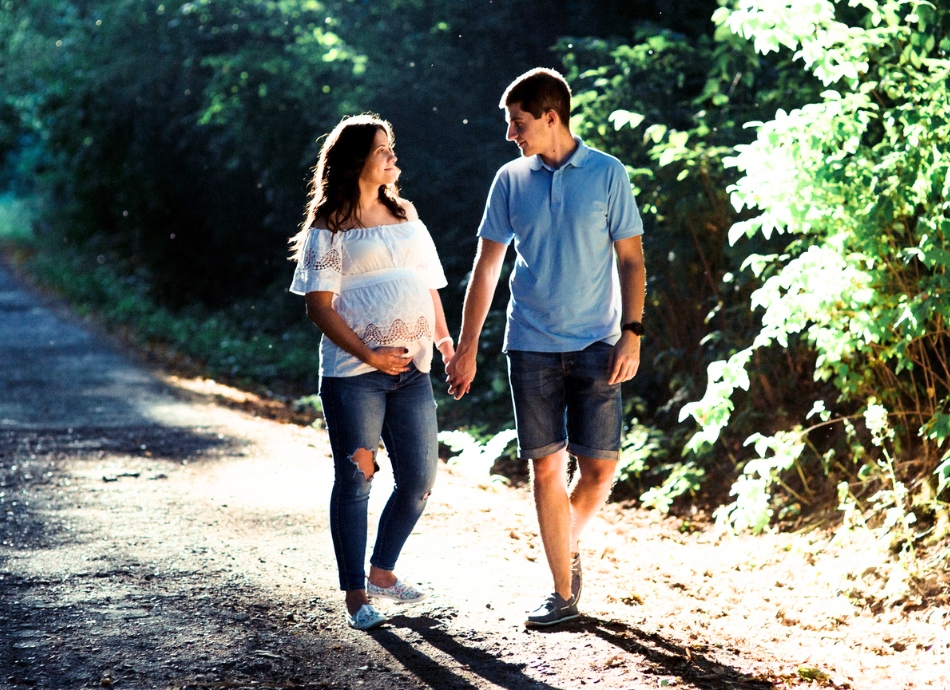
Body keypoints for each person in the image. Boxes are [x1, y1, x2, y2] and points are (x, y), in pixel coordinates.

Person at [445, 68, 646, 627]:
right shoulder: (510, 179)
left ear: (551, 116)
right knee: (546, 468)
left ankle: (565, 543)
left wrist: (632, 332)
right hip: (530, 343)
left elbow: (631, 260)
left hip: (598, 342)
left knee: (601, 469)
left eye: (519, 122)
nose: (512, 133)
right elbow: (487, 268)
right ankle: (562, 593)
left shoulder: (608, 174)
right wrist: (467, 347)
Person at [289, 114, 455, 631]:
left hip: (413, 371)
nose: (392, 157)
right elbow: (319, 307)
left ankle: (383, 572)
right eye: (382, 149)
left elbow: (428, 284)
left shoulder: (404, 211)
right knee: (356, 479)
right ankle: (357, 597)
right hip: (353, 375)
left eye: (391, 147)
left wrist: (447, 344)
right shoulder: (329, 224)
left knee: (419, 482)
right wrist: (371, 354)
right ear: (356, 159)